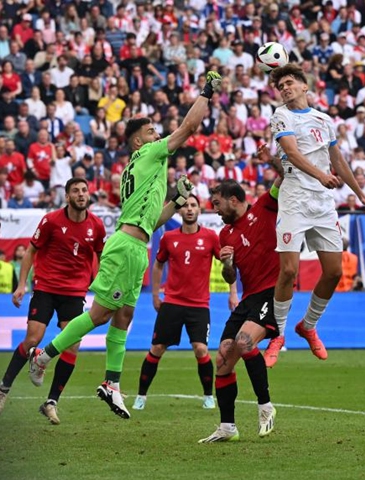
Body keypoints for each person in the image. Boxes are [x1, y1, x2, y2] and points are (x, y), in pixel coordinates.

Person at [28, 71, 223, 419]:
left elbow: (152, 221)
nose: (157, 134)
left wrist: (177, 201)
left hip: (137, 245)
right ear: (137, 142)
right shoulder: (149, 153)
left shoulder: (140, 168)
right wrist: (206, 92)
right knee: (100, 314)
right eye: (151, 131)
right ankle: (43, 356)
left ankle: (112, 383)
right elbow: (189, 128)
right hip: (125, 247)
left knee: (124, 315)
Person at [262, 64, 365, 368]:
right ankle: (278, 334)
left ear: (304, 86)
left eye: (289, 83)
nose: (284, 89)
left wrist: (360, 193)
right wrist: (321, 175)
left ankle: (308, 325)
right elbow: (292, 153)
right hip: (295, 199)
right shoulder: (280, 116)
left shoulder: (324, 120)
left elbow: (337, 159)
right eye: (280, 86)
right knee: (288, 271)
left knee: (334, 272)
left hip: (323, 203)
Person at [0, 178, 105, 424]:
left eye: (84, 190)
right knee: (32, 339)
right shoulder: (51, 220)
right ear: (67, 197)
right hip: (46, 288)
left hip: (75, 292)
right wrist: (22, 284)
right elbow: (31, 251)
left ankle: (51, 402)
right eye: (75, 191)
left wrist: (100, 286)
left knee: (72, 345)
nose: (81, 194)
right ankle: (3, 390)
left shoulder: (97, 226)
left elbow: (101, 258)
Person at [198, 149, 281, 443]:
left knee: (245, 343)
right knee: (222, 358)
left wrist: (270, 158)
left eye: (217, 204)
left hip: (272, 292)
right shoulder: (225, 235)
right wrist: (228, 265)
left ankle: (266, 406)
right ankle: (227, 427)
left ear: (233, 200)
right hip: (248, 298)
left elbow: (285, 174)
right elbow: (230, 277)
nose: (216, 210)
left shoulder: (265, 206)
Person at [133, 195, 238, 411]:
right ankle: (141, 396)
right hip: (172, 302)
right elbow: (158, 265)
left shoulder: (210, 237)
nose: (189, 209)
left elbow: (227, 265)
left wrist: (233, 293)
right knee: (157, 348)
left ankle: (208, 396)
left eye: (193, 205)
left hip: (199, 305)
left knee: (201, 349)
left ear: (199, 209)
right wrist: (155, 295)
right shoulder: (169, 238)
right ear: (179, 211)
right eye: (185, 206)